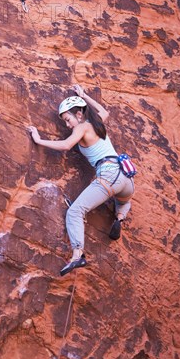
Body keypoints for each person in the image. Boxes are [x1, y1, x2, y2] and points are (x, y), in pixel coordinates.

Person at [28, 84, 135, 276]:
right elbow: (104, 111)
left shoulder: (83, 126)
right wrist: (84, 96)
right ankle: (120, 217)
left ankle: (77, 255)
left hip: (109, 176)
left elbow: (66, 145)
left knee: (75, 211)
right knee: (122, 200)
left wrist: (38, 140)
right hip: (127, 180)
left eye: (68, 120)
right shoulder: (96, 123)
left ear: (78, 114)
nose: (68, 125)